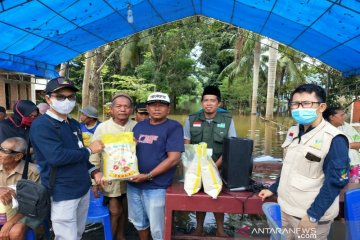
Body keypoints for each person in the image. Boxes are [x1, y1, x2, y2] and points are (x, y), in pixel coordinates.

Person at [258, 84, 350, 240]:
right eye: (295, 104)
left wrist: (313, 215)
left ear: (321, 107)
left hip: (310, 217)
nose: (299, 108)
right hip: (285, 209)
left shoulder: (334, 139)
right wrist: (274, 188)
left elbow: (336, 182)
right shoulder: (294, 131)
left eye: (306, 103)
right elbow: (290, 165)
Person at [30, 77, 105, 240]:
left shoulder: (73, 124)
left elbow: (78, 155)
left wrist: (94, 171)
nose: (67, 101)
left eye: (70, 97)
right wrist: (90, 149)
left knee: (77, 234)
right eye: (60, 97)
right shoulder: (42, 125)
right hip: (62, 191)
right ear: (48, 98)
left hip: (82, 188)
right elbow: (57, 157)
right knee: (66, 236)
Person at [128, 92, 184, 240]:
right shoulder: (139, 126)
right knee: (139, 223)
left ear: (169, 109)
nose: (157, 108)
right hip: (133, 185)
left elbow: (174, 159)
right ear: (147, 108)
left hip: (156, 187)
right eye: (153, 105)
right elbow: (129, 151)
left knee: (158, 228)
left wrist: (148, 176)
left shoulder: (174, 127)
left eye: (161, 105)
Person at [183, 85, 237, 237]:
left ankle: (220, 229)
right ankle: (199, 228)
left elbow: (230, 146)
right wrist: (191, 166)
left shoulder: (227, 120)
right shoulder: (191, 119)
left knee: (216, 196)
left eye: (213, 100)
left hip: (218, 166)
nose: (209, 103)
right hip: (196, 167)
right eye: (206, 100)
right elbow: (186, 144)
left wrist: (214, 166)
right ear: (201, 103)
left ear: (219, 104)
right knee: (199, 195)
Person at [90, 93, 136, 240]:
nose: (123, 109)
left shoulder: (137, 127)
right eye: (119, 106)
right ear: (111, 109)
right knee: (115, 211)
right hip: (110, 178)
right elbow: (94, 155)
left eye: (126, 107)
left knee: (125, 209)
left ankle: (121, 235)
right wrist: (94, 181)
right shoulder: (103, 128)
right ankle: (110, 237)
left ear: (131, 109)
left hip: (132, 177)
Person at [0, 137, 40, 240]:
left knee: (15, 232)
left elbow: (32, 205)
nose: (0, 153)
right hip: (3, 211)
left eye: (4, 151)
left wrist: (10, 223)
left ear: (18, 156)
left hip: (25, 212)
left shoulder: (33, 172)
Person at [323, 106, 360, 182]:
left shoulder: (347, 127)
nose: (344, 117)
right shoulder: (323, 129)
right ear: (332, 117)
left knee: (354, 187)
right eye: (341, 115)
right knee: (340, 186)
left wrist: (347, 145)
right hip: (337, 167)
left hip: (354, 165)